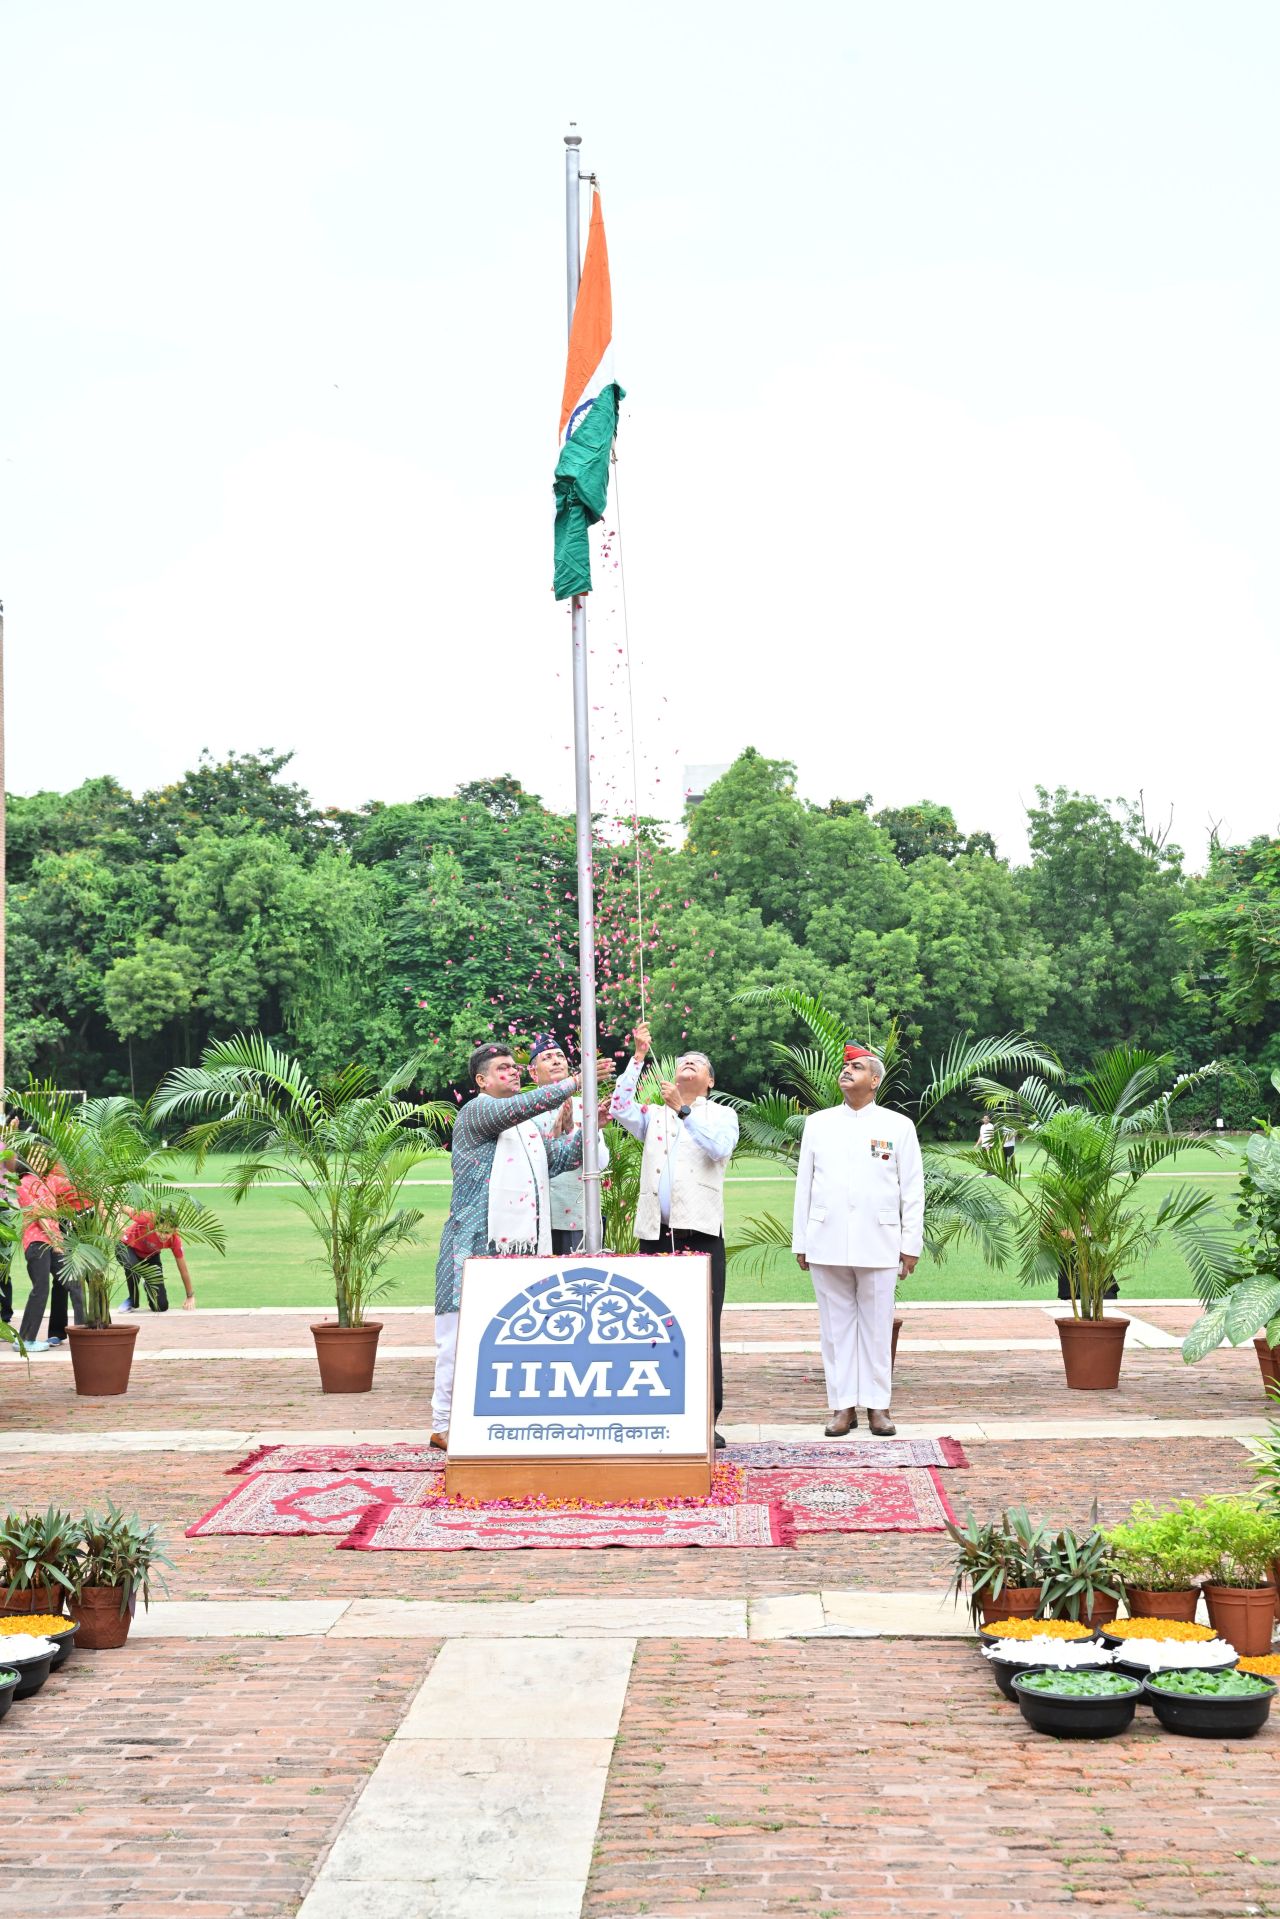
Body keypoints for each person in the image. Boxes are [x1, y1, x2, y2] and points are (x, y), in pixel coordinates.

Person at [431, 1040, 615, 1448]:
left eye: (515, 1066)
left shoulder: (526, 1129)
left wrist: (594, 1127)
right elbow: (521, 1107)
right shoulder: (477, 1111)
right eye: (503, 1068)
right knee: (457, 1341)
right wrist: (576, 1082)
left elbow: (560, 1159)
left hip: (516, 1252)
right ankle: (442, 1424)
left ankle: (495, 1420)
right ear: (481, 1081)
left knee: (509, 1340)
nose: (513, 1071)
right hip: (470, 1246)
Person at [609, 1022, 738, 1449]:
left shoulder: (721, 1115)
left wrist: (684, 1111)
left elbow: (719, 1149)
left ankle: (706, 1417)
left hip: (700, 1232)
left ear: (710, 1080)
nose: (688, 1065)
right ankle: (657, 1411)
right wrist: (638, 1057)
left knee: (704, 1326)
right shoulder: (654, 1114)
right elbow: (619, 1107)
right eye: (684, 1061)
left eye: (697, 1063)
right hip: (655, 1232)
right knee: (652, 1324)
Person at [792, 1044, 925, 1438]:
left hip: (879, 1239)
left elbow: (912, 1189)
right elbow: (804, 1186)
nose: (848, 1070)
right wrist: (802, 1240)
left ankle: (878, 1406)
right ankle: (842, 1406)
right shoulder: (818, 1123)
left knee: (877, 1327)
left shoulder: (898, 1126)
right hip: (826, 1237)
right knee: (835, 1330)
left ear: (875, 1080)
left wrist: (910, 1244)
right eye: (846, 1066)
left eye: (858, 1066)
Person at [526, 1034, 611, 1254]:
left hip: (575, 1214)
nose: (556, 1061)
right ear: (533, 1073)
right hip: (533, 1216)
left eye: (560, 1056)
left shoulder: (586, 1106)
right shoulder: (525, 1110)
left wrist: (576, 1131)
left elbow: (601, 1163)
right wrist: (554, 1134)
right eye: (547, 1058)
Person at [14, 1159, 87, 1354]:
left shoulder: (50, 1181)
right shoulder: (23, 1183)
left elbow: (75, 1185)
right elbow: (38, 1215)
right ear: (28, 1161)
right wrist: (55, 1241)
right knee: (41, 1289)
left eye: (44, 1158)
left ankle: (83, 1334)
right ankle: (25, 1340)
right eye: (37, 1157)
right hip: (37, 1243)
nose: (42, 1161)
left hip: (55, 1243)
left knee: (74, 1282)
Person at [117, 1208, 197, 1313]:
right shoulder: (147, 1217)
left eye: (167, 1232)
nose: (163, 1236)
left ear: (174, 1230)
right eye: (160, 1231)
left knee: (161, 1307)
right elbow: (120, 1206)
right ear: (155, 1225)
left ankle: (147, 1282)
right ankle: (132, 1300)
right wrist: (118, 1222)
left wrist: (190, 1296)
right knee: (133, 1266)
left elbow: (183, 1270)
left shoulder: (175, 1240)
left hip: (150, 1256)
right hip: (127, 1247)